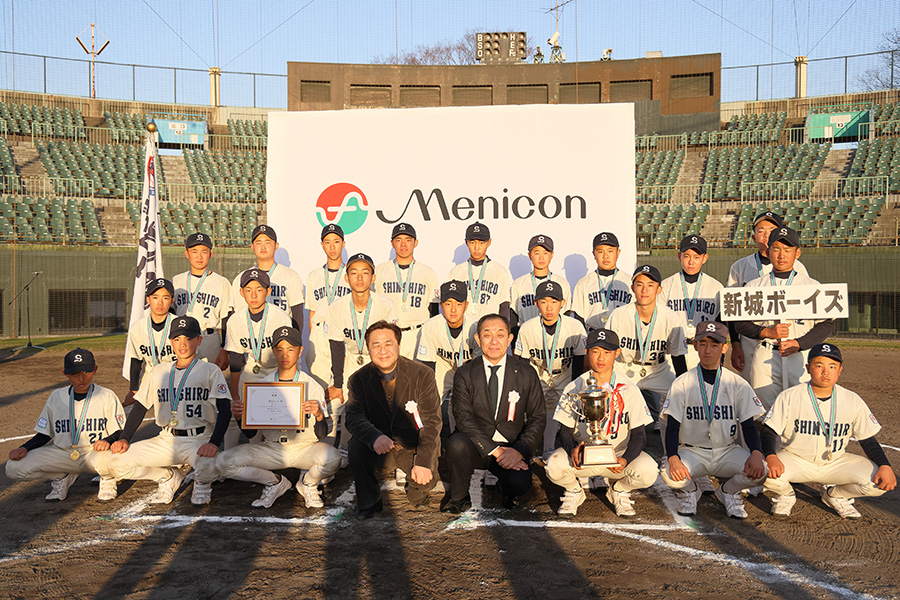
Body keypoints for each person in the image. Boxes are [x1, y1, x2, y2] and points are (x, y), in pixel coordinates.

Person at [761, 343, 896, 518]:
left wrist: (885, 465)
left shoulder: (852, 399)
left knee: (877, 483)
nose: (826, 372)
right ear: (808, 368)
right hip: (796, 459)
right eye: (819, 366)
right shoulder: (790, 396)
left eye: (832, 366)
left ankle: (835, 495)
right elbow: (769, 431)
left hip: (836, 462)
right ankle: (786, 494)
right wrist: (771, 456)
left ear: (840, 370)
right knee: (762, 470)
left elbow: (867, 440)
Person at [109, 316, 232, 505]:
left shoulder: (210, 370)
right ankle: (166, 477)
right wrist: (125, 437)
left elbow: (225, 409)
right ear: (170, 342)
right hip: (166, 439)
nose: (183, 344)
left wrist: (214, 443)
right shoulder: (158, 372)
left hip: (198, 438)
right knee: (116, 463)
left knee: (209, 463)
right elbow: (140, 407)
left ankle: (202, 484)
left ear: (199, 340)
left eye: (188, 338)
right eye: (177, 339)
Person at [216, 326, 340, 509]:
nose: (285, 355)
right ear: (273, 351)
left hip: (304, 448)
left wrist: (319, 415)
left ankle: (307, 484)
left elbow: (321, 435)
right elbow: (250, 435)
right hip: (272, 448)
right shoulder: (261, 386)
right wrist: (239, 417)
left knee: (333, 458)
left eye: (291, 349)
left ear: (300, 351)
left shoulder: (312, 385)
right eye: (280, 349)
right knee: (223, 462)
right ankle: (274, 482)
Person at [660, 321, 768, 519]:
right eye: (702, 344)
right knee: (668, 472)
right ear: (695, 346)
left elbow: (748, 425)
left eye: (715, 344)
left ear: (724, 347)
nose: (708, 350)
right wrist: (673, 457)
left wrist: (756, 452)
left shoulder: (737, 383)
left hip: (727, 451)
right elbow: (673, 425)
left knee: (762, 470)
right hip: (692, 451)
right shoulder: (682, 382)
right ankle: (691, 491)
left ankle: (728, 491)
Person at [442, 314, 545, 514]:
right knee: (456, 444)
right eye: (487, 335)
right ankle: (458, 497)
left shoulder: (526, 373)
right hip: (476, 445)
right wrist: (495, 450)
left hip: (511, 447)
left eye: (500, 334)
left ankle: (505, 491)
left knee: (520, 484)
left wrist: (519, 451)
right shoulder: (465, 373)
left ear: (510, 339)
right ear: (478, 340)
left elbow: (537, 417)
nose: (494, 341)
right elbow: (463, 417)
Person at [546, 329, 656, 517]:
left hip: (617, 456)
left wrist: (625, 459)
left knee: (649, 470)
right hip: (584, 455)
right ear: (587, 352)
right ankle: (574, 491)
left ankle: (619, 490)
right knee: (553, 466)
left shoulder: (628, 388)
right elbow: (564, 430)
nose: (601, 357)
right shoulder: (575, 386)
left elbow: (640, 435)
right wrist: (572, 449)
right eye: (596, 351)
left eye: (607, 352)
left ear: (617, 353)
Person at [345, 321, 442, 519]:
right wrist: (374, 437)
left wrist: (423, 461)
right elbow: (353, 417)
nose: (383, 350)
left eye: (388, 344)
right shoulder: (358, 379)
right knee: (356, 446)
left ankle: (415, 483)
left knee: (424, 486)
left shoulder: (423, 374)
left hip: (411, 444)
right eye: (376, 345)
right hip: (381, 445)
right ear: (368, 348)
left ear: (398, 344)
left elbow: (432, 421)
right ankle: (369, 502)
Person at [734, 226, 834, 410]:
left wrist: (799, 343)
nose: (782, 255)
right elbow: (738, 323)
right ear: (769, 251)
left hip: (799, 356)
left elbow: (826, 325)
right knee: (763, 414)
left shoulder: (811, 285)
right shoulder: (754, 286)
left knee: (800, 411)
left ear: (797, 253)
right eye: (777, 249)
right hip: (765, 354)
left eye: (787, 250)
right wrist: (765, 331)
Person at [6, 349, 125, 502]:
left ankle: (108, 479)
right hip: (63, 454)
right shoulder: (56, 396)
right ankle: (62, 475)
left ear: (95, 370)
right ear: (65, 373)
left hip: (95, 453)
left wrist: (107, 441)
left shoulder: (106, 395)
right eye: (75, 374)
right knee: (13, 468)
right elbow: (45, 433)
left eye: (86, 372)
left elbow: (120, 430)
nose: (81, 378)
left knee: (117, 456)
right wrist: (24, 447)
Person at [324, 252, 398, 460]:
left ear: (373, 277)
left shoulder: (385, 305)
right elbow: (336, 347)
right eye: (354, 273)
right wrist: (338, 383)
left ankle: (389, 448)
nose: (359, 277)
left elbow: (390, 344)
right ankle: (339, 450)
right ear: (346, 277)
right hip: (350, 358)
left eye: (365, 272)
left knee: (385, 403)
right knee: (343, 403)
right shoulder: (337, 307)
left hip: (378, 360)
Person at [727, 211, 809, 379]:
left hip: (789, 340)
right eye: (761, 230)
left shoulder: (798, 267)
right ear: (753, 237)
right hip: (751, 342)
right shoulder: (740, 267)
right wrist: (735, 344)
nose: (766, 235)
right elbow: (733, 312)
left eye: (772, 229)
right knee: (755, 395)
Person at [606, 265, 688, 427]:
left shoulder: (670, 317)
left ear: (659, 289)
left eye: (650, 285)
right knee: (610, 400)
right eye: (639, 284)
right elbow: (607, 351)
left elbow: (678, 356)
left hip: (658, 370)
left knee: (678, 398)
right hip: (624, 368)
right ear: (632, 288)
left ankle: (670, 447)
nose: (644, 290)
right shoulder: (618, 315)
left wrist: (683, 386)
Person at [513, 280, 586, 459]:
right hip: (539, 373)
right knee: (531, 407)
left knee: (574, 407)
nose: (549, 307)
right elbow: (522, 362)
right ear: (536, 303)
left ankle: (570, 446)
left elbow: (579, 360)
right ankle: (535, 447)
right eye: (544, 302)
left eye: (554, 301)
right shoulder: (527, 327)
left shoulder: (574, 326)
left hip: (566, 373)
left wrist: (575, 388)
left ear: (562, 303)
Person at [224, 268, 293, 448]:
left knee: (275, 416)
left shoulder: (281, 318)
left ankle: (279, 453)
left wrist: (285, 383)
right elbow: (236, 358)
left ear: (268, 291)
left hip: (274, 371)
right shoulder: (235, 320)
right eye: (248, 290)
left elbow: (286, 357)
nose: (253, 295)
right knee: (238, 413)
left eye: (259, 289)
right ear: (241, 293)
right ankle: (234, 453)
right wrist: (235, 393)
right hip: (250, 369)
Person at [415, 280, 480, 433]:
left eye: (458, 303)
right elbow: (427, 366)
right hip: (442, 366)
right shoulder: (431, 326)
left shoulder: (475, 326)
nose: (453, 309)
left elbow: (478, 368)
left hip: (468, 369)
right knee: (427, 401)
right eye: (448, 303)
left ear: (466, 304)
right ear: (440, 304)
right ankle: (432, 441)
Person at [374, 222, 440, 359]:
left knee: (417, 378)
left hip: (417, 333)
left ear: (415, 243)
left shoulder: (428, 272)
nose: (403, 244)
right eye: (398, 240)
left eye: (408, 240)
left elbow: (433, 310)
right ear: (392, 243)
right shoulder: (379, 271)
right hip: (388, 334)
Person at [659, 234, 723, 369]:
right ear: (679, 257)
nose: (691, 261)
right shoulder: (666, 285)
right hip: (673, 350)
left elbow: (720, 324)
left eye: (697, 257)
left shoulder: (716, 288)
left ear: (705, 258)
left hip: (703, 348)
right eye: (686, 256)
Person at [230, 224, 305, 331]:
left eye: (267, 242)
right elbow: (236, 314)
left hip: (281, 338)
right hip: (249, 337)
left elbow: (297, 314)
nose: (263, 247)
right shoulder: (241, 278)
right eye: (258, 243)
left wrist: (296, 341)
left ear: (276, 245)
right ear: (252, 247)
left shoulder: (290, 276)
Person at [172, 232, 231, 368]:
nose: (199, 256)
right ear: (186, 254)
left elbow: (226, 319)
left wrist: (224, 349)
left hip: (210, 339)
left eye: (204, 251)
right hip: (183, 339)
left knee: (210, 383)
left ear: (211, 254)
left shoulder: (222, 283)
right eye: (194, 251)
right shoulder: (176, 281)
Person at [305, 224, 352, 388]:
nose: (332, 246)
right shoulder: (314, 276)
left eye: (336, 241)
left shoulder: (352, 274)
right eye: (327, 242)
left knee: (344, 385)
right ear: (322, 245)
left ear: (343, 244)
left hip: (344, 331)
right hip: (320, 331)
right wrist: (315, 337)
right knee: (319, 384)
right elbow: (312, 312)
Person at [124, 277, 176, 406]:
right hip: (150, 377)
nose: (160, 303)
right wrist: (134, 389)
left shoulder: (178, 325)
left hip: (177, 378)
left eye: (165, 298)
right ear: (148, 299)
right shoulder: (138, 327)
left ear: (172, 300)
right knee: (138, 409)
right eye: (155, 297)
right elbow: (136, 360)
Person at [446, 222, 511, 321]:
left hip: (489, 329)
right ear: (466, 242)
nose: (476, 247)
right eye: (472, 242)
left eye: (481, 242)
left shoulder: (499, 271)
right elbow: (448, 304)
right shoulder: (456, 272)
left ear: (489, 242)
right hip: (464, 327)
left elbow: (504, 305)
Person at [571, 232, 633, 332]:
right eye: (600, 252)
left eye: (610, 251)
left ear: (618, 252)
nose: (606, 256)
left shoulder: (629, 281)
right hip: (592, 334)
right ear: (594, 254)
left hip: (621, 334)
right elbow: (579, 318)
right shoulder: (583, 283)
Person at [509, 234, 570, 332]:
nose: (541, 258)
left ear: (552, 255)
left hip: (556, 336)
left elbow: (566, 315)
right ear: (529, 255)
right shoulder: (519, 284)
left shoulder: (562, 283)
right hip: (527, 334)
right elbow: (514, 316)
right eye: (536, 253)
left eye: (545, 253)